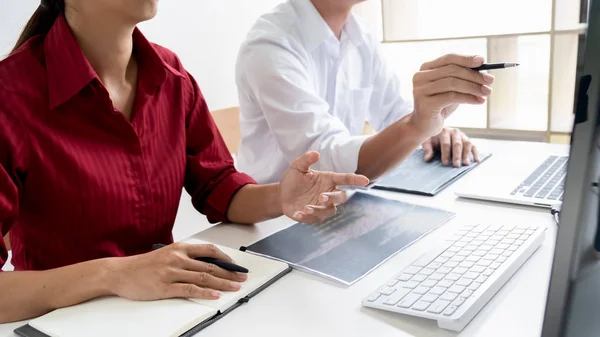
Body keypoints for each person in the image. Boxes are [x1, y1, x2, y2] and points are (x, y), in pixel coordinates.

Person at [0, 0, 369, 323]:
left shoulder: (171, 75)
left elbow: (218, 185)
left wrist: (281, 198)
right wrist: (113, 274)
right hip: (62, 322)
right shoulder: (11, 94)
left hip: (169, 312)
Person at [235, 0, 495, 184]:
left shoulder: (360, 33)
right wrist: (418, 126)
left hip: (342, 203)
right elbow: (322, 161)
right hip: (273, 219)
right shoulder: (270, 45)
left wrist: (433, 131)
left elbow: (394, 111)